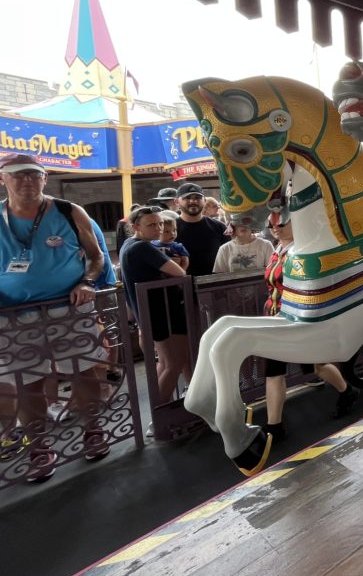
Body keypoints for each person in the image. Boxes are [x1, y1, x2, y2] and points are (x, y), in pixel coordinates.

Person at [0, 154, 109, 481]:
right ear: (3, 179)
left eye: (33, 175)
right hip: (14, 316)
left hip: (69, 308)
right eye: (17, 176)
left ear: (45, 178)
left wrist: (88, 281)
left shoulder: (68, 211)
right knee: (26, 382)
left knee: (83, 372)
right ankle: (39, 449)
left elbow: (96, 256)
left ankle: (93, 430)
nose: (26, 181)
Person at [261, 215, 358, 441]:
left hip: (297, 319)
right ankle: (274, 426)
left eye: (281, 223)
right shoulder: (278, 250)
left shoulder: (303, 252)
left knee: (317, 366)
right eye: (271, 225)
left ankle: (347, 391)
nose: (275, 228)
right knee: (275, 371)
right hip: (276, 318)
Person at [119, 206, 189, 408]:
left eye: (159, 223)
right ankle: (160, 413)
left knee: (167, 362)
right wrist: (181, 263)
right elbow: (179, 273)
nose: (158, 228)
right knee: (174, 362)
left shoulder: (128, 245)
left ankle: (158, 408)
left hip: (150, 312)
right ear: (135, 227)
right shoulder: (142, 247)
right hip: (161, 311)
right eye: (151, 225)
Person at [174, 183, 228, 276]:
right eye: (187, 198)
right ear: (177, 202)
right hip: (182, 287)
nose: (193, 201)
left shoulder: (219, 227)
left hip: (215, 284)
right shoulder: (168, 229)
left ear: (204, 201)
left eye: (197, 198)